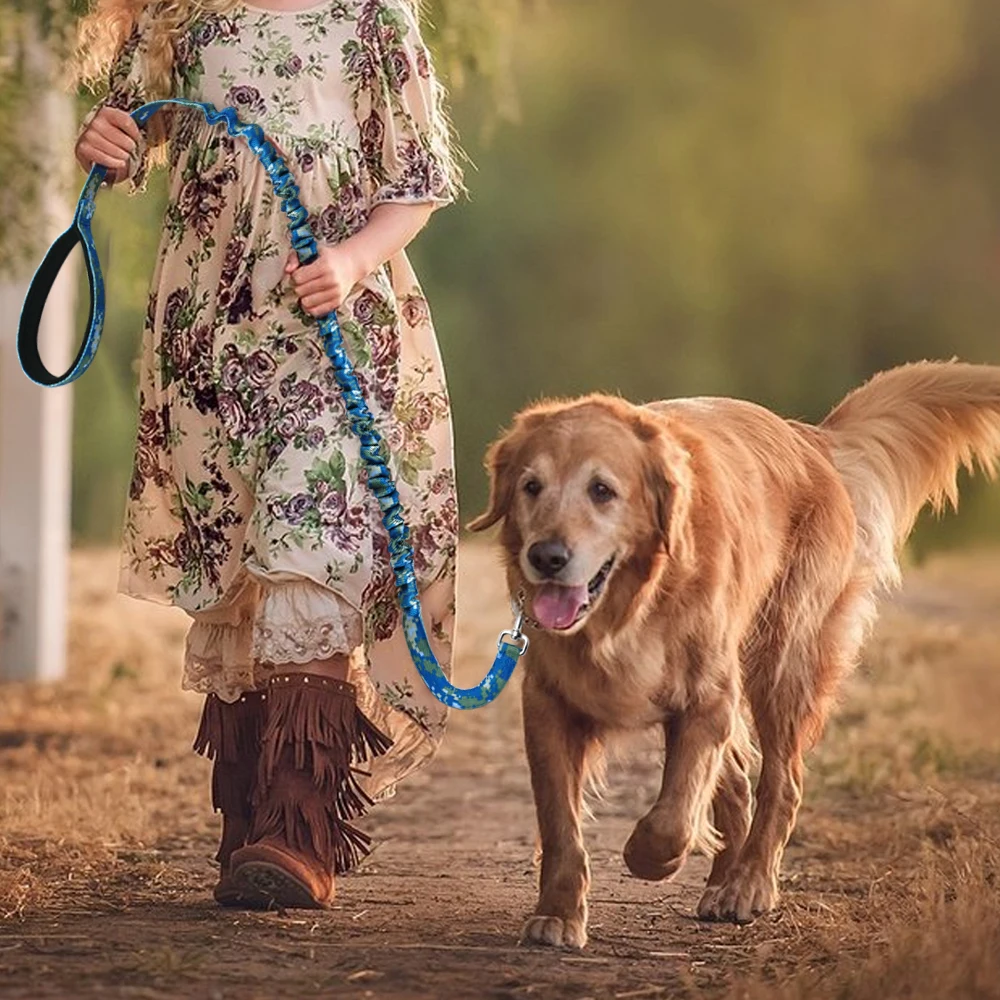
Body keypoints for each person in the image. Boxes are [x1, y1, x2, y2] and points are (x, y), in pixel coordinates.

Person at [72, 0, 463, 909]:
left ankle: (299, 829)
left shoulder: (372, 16)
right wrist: (106, 143)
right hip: (209, 333)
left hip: (329, 331)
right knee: (239, 569)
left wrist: (355, 260)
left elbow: (418, 179)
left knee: (311, 543)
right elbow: (134, 140)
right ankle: (247, 822)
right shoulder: (182, 15)